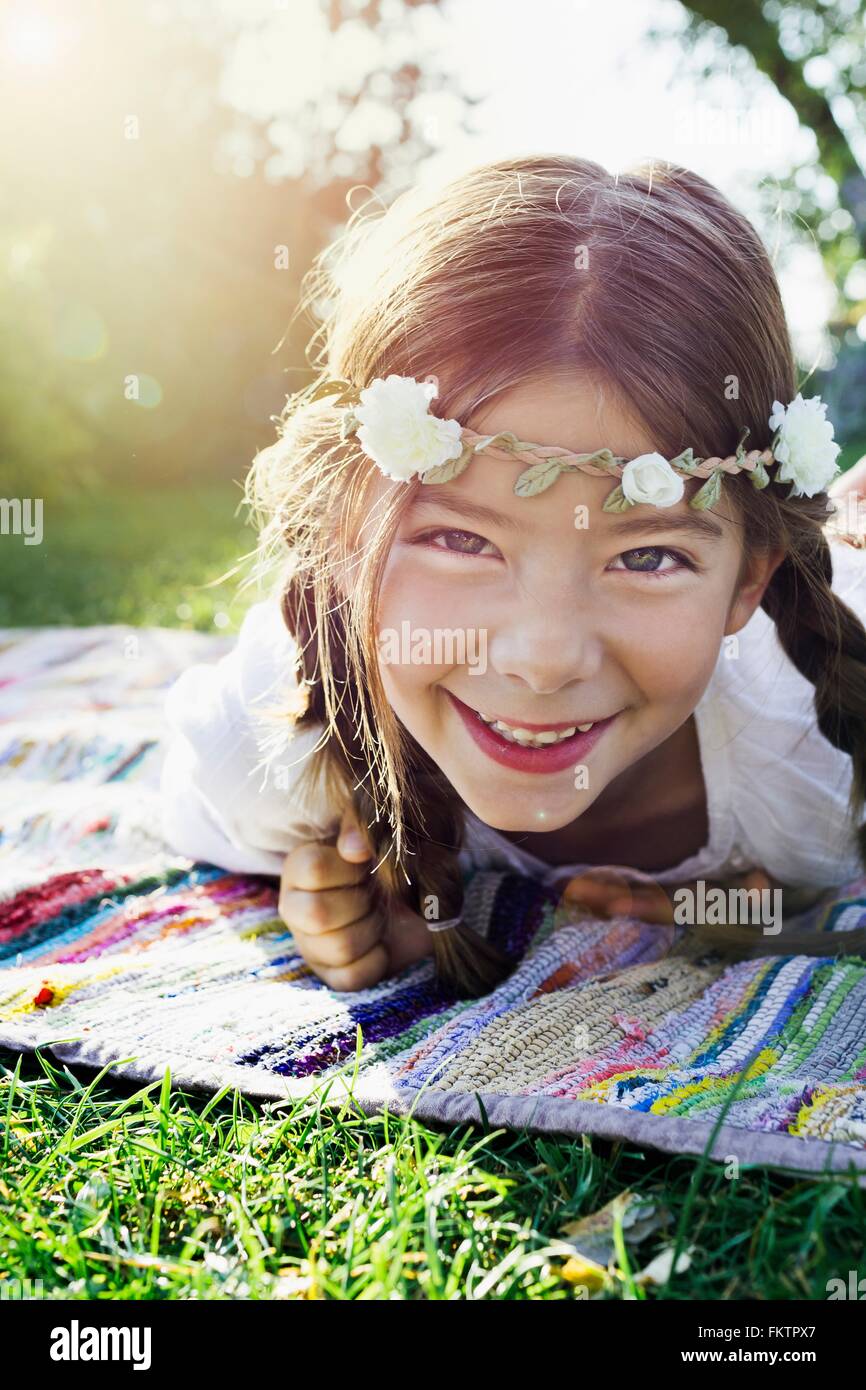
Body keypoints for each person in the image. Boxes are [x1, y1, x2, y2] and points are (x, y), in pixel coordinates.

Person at [160, 154, 866, 997]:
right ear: (344, 537)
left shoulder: (815, 755)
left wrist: (738, 905)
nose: (543, 658)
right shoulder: (276, 744)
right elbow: (186, 801)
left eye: (647, 557)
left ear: (749, 584)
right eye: (460, 540)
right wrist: (331, 874)